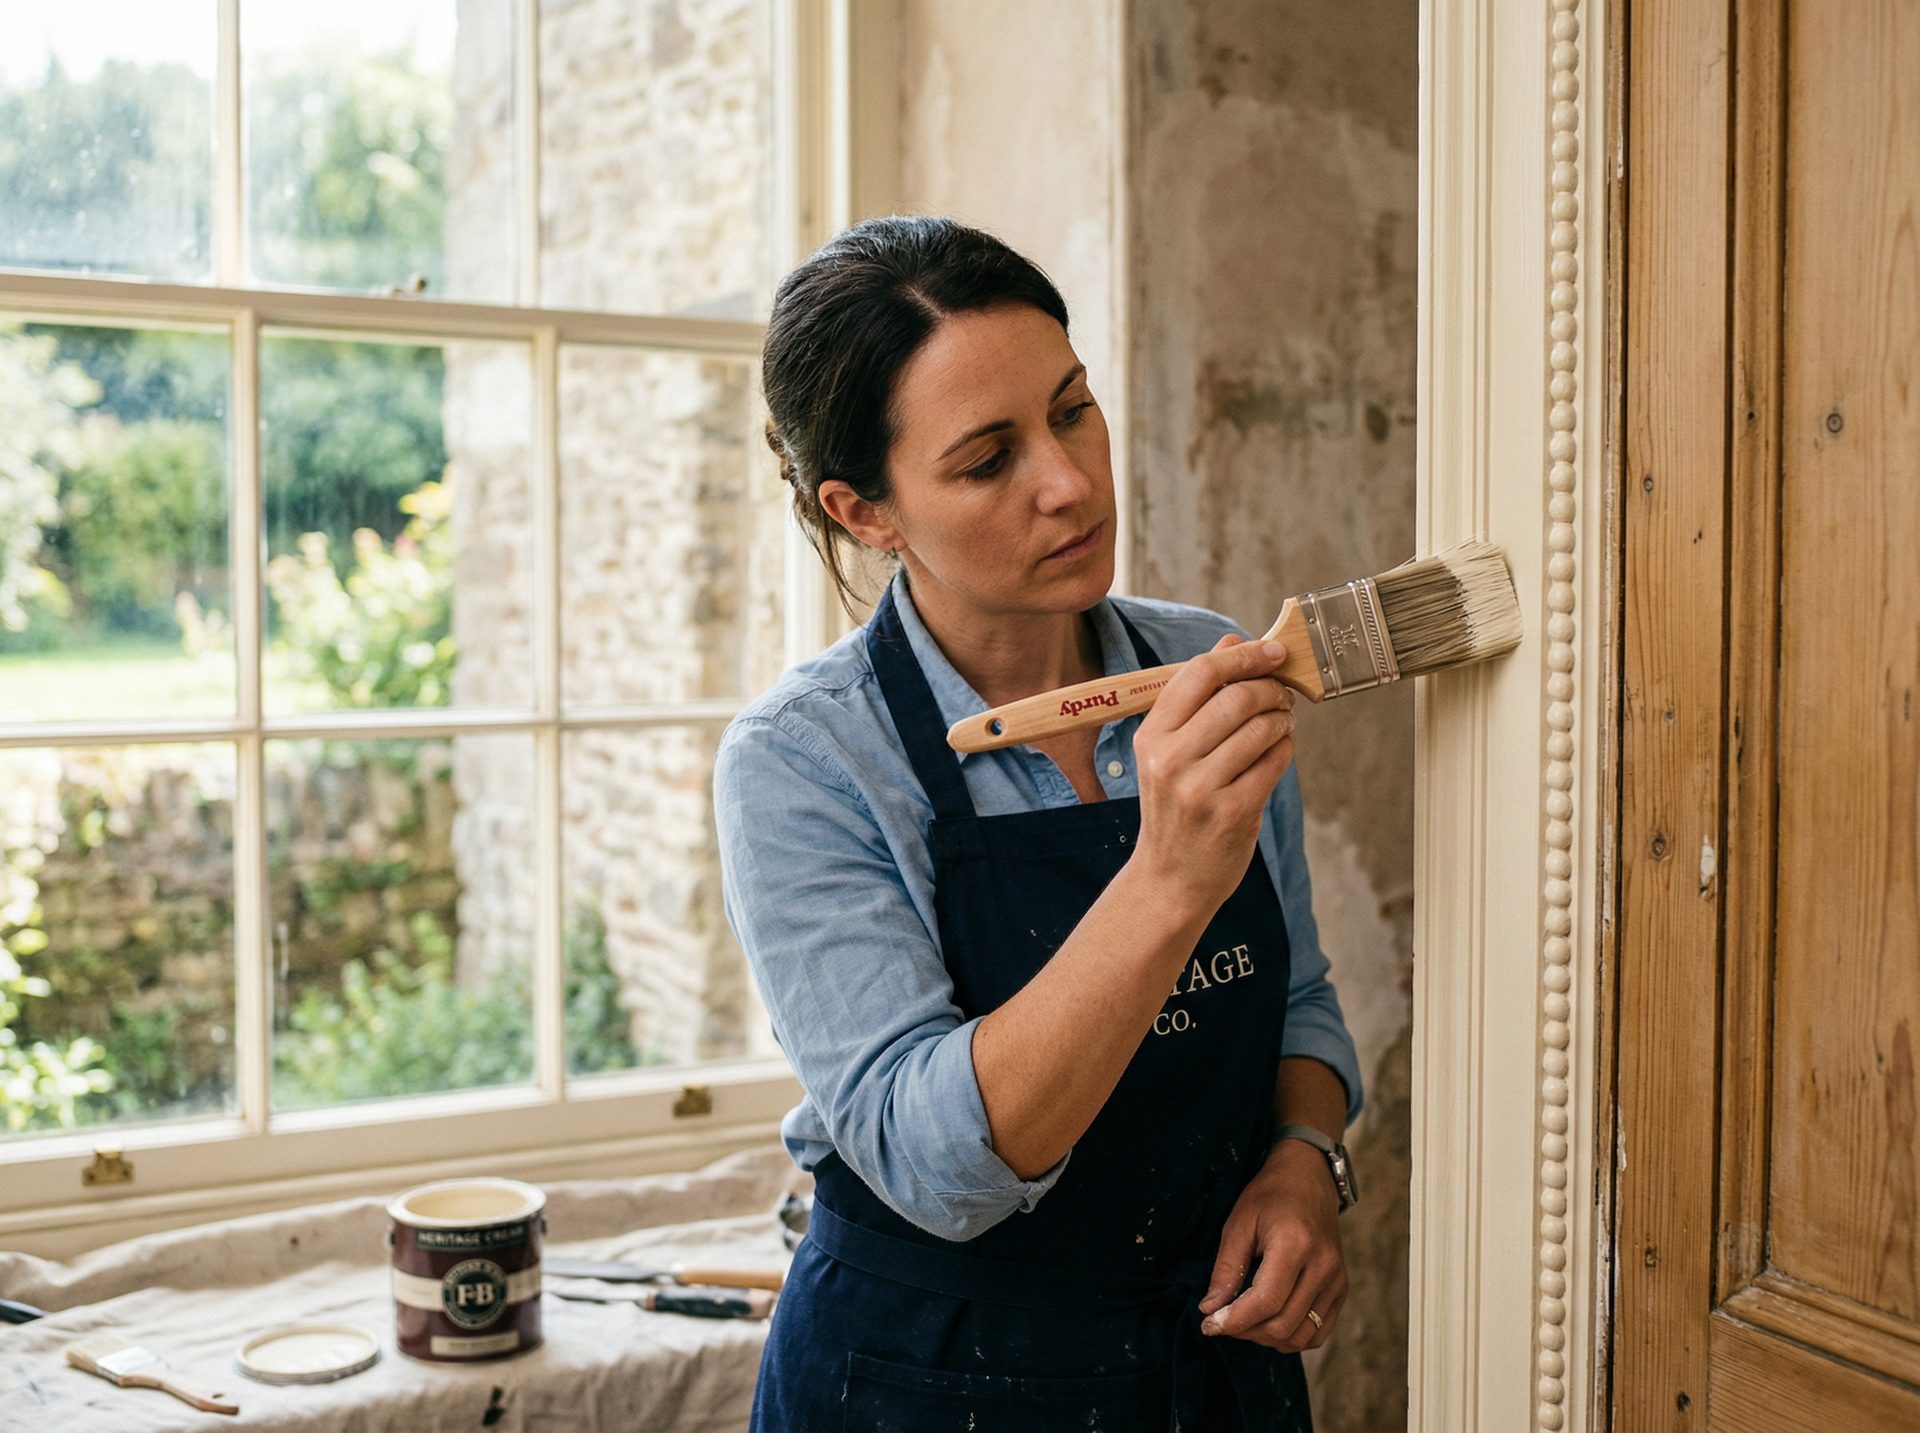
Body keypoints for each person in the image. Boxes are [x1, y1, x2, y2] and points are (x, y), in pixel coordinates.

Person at [715, 215, 1364, 1432]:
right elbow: (939, 1163)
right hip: (922, 1375)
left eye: (1072, 409)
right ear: (865, 512)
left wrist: (1306, 1162)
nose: (1069, 482)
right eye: (985, 459)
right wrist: (1167, 877)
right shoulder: (803, 762)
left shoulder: (1210, 664)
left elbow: (1300, 1002)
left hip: (1208, 1367)